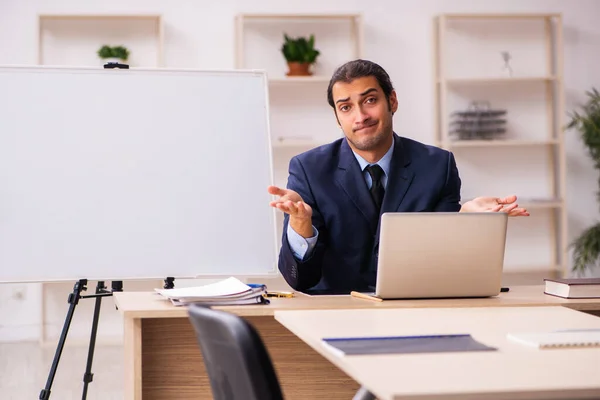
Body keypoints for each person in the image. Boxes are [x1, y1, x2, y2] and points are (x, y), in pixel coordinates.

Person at [267, 59, 528, 294]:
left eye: (370, 100)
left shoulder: (438, 165)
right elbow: (300, 280)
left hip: (415, 309)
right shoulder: (308, 169)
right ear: (337, 117)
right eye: (346, 107)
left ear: (392, 101)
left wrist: (466, 219)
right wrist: (301, 224)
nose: (360, 116)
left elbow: (443, 261)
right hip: (336, 313)